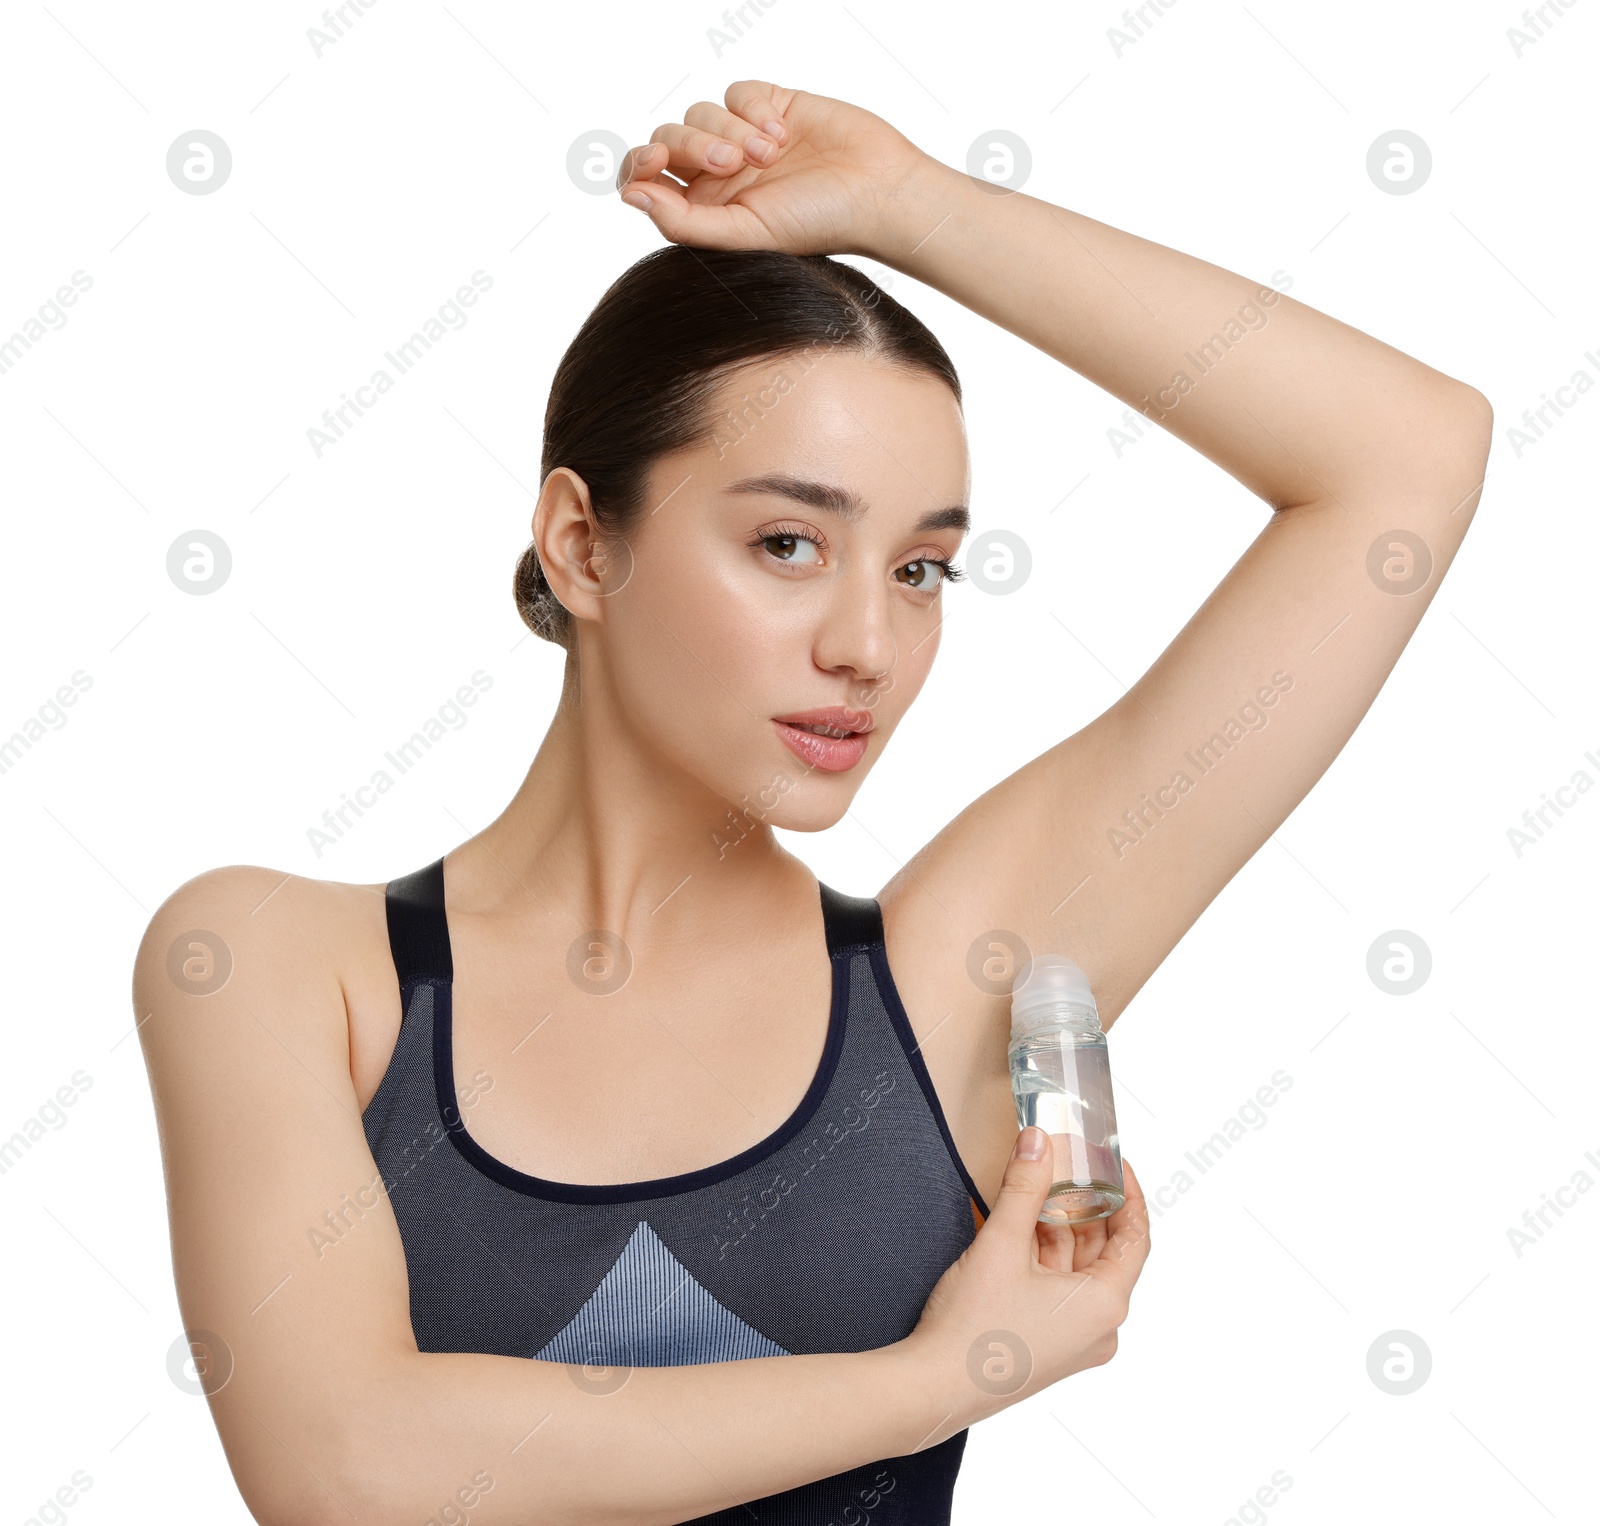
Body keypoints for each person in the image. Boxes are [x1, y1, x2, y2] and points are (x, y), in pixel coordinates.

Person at [133, 80, 1490, 1525]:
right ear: (586, 545)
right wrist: (947, 1372)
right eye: (789, 541)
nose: (868, 644)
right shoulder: (281, 965)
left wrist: (914, 208)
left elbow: (1405, 458)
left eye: (920, 567)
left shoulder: (954, 982)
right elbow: (349, 1468)